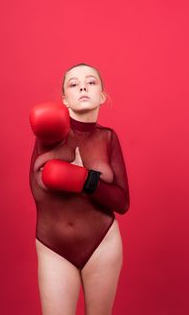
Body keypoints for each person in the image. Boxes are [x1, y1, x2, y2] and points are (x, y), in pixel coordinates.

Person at [29, 63, 130, 315]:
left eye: (91, 82)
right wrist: (69, 176)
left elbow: (122, 202)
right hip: (54, 247)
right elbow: (39, 189)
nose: (83, 86)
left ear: (103, 96)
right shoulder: (49, 132)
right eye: (73, 84)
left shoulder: (108, 137)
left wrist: (85, 179)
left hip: (102, 244)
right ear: (64, 99)